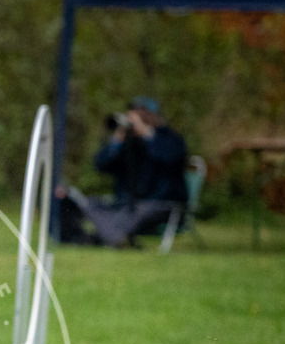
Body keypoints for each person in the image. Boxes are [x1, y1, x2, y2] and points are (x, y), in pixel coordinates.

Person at [58, 96, 188, 247]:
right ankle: (86, 239)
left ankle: (111, 238)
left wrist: (146, 133)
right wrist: (117, 141)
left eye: (141, 115)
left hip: (159, 204)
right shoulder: (128, 143)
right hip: (124, 204)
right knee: (79, 202)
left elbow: (169, 156)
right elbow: (100, 164)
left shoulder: (170, 139)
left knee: (127, 215)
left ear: (154, 116)